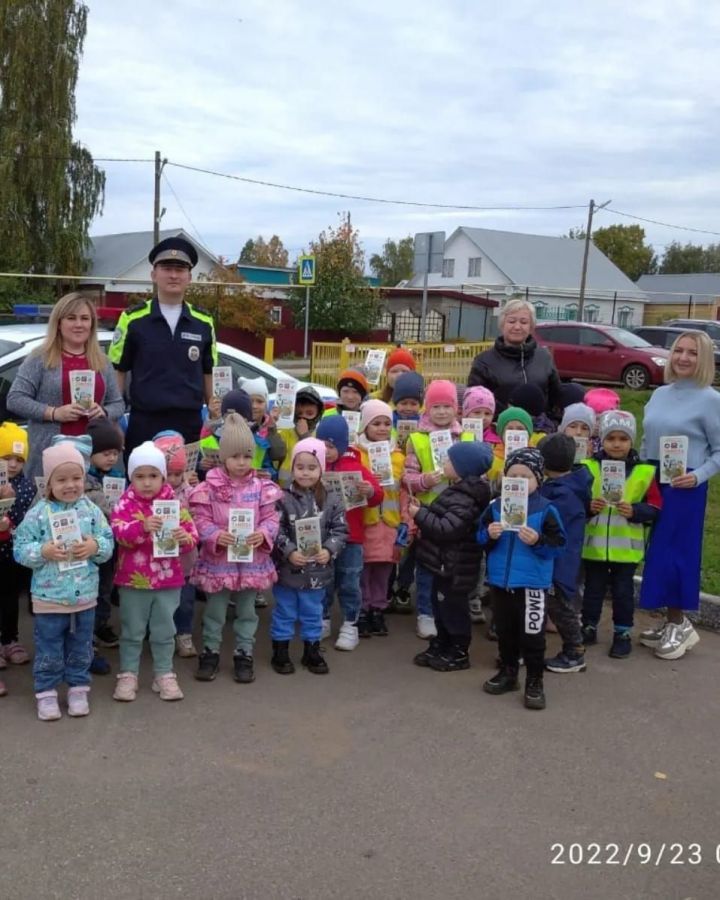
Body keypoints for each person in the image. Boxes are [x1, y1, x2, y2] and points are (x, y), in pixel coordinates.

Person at [13, 443, 114, 720]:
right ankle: (46, 693)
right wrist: (42, 552)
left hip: (85, 597)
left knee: (81, 646)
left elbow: (108, 542)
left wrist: (94, 546)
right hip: (49, 599)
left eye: (76, 478)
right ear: (49, 482)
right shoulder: (37, 514)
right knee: (49, 647)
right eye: (62, 479)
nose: (70, 485)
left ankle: (78, 688)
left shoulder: (91, 510)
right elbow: (20, 548)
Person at [639, 331, 720, 659]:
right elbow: (647, 440)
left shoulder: (711, 400)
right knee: (656, 553)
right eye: (679, 351)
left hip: (686, 486)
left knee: (677, 555)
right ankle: (668, 620)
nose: (684, 358)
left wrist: (698, 475)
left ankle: (680, 623)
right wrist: (641, 476)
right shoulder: (659, 394)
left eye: (693, 353)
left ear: (704, 360)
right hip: (655, 480)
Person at [189, 414, 282, 684]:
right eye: (235, 456)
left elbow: (272, 517)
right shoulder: (209, 488)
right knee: (215, 611)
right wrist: (216, 535)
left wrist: (262, 533)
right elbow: (199, 518)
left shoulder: (262, 487)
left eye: (246, 456)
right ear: (223, 456)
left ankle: (244, 653)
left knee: (247, 611)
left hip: (251, 561)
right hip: (219, 563)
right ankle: (210, 652)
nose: (241, 462)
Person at [108, 236, 217, 455]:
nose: (174, 275)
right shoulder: (132, 319)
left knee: (189, 487)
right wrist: (113, 422)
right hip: (144, 423)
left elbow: (208, 373)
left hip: (190, 424)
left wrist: (215, 419)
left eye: (180, 269)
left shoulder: (204, 322)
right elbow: (118, 373)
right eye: (167, 268)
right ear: (154, 274)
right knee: (143, 489)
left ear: (189, 277)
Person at [478, 448, 566, 710]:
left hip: (532, 585)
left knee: (532, 635)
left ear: (539, 480)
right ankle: (508, 673)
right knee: (505, 632)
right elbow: (479, 537)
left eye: (525, 477)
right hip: (500, 582)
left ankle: (534, 681)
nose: (518, 481)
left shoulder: (546, 509)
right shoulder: (495, 507)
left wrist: (538, 541)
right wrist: (489, 535)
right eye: (512, 476)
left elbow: (559, 545)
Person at [111, 441, 198, 702]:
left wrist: (184, 537)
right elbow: (118, 533)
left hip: (168, 580)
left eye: (153, 476)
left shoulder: (173, 503)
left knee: (164, 629)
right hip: (132, 580)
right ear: (131, 477)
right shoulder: (124, 504)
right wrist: (143, 527)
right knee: (132, 630)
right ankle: (128, 674)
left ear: (163, 476)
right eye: (139, 476)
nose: (147, 482)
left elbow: (193, 535)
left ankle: (164, 673)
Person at [7, 292, 125, 480]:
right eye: (71, 318)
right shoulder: (40, 358)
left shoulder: (102, 361)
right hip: (49, 454)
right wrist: (53, 413)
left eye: (85, 318)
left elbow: (118, 404)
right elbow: (15, 399)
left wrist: (103, 411)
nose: (79, 324)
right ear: (59, 323)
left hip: (93, 458)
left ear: (91, 324)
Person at [581, 411, 660, 658]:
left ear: (632, 441)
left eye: (623, 439)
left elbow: (656, 507)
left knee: (623, 594)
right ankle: (588, 627)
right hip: (593, 547)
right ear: (601, 440)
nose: (616, 443)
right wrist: (588, 507)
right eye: (611, 438)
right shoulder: (588, 467)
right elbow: (575, 502)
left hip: (626, 550)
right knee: (592, 591)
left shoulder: (644, 473)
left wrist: (635, 511)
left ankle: (622, 633)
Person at [410, 441, 492, 672]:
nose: (444, 463)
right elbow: (444, 517)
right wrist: (425, 510)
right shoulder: (458, 490)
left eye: (449, 460)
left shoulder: (466, 496)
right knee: (440, 605)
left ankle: (458, 650)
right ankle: (442, 642)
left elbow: (448, 529)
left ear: (462, 468)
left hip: (455, 564)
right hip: (444, 562)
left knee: (453, 608)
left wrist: (419, 515)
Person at [402, 379, 473, 639]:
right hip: (428, 513)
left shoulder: (467, 437)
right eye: (436, 406)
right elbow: (406, 478)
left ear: (456, 408)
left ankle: (450, 612)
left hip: (459, 515)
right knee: (427, 565)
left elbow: (480, 475)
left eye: (447, 406)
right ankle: (425, 613)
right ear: (427, 409)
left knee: (455, 566)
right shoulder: (417, 439)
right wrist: (423, 480)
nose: (442, 412)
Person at [270, 439, 347, 676]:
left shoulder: (333, 498)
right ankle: (280, 652)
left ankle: (311, 650)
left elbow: (340, 530)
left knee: (313, 612)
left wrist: (329, 550)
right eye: (300, 467)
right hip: (288, 571)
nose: (305, 472)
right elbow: (275, 530)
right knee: (284, 611)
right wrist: (289, 551)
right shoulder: (281, 497)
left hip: (318, 571)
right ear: (292, 468)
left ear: (321, 468)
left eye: (312, 467)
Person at [316, 415, 381, 650]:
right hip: (323, 536)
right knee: (324, 581)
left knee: (350, 581)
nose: (327, 450)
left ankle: (350, 623)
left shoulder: (357, 466)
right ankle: (322, 619)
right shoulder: (315, 465)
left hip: (352, 537)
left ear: (342, 445)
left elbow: (377, 497)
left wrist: (370, 490)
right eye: (322, 444)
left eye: (332, 446)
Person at [537, 433, 593, 673]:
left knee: (559, 608)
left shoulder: (560, 495)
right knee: (541, 606)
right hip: (559, 559)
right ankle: (530, 648)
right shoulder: (571, 487)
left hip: (558, 562)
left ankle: (574, 651)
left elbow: (549, 526)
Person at [356, 400, 407, 639]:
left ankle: (378, 608)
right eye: (376, 423)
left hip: (389, 521)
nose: (382, 428)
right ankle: (363, 609)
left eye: (387, 423)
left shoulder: (398, 455)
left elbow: (403, 489)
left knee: (384, 569)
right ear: (365, 426)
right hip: (365, 521)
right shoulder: (356, 453)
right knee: (363, 569)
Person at [467, 298, 562, 415]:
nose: (517, 327)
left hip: (540, 428)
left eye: (523, 322)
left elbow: (556, 395)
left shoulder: (544, 357)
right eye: (511, 321)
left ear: (531, 327)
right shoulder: (484, 361)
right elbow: (475, 400)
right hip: (499, 428)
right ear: (502, 325)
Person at [152, 431, 199, 658]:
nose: (172, 479)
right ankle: (160, 635)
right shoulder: (150, 494)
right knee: (159, 603)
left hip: (185, 561)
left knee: (185, 601)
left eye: (177, 474)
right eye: (167, 474)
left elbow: (199, 519)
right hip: (157, 562)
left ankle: (184, 634)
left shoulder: (190, 492)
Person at [0, 423, 36, 682]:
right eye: (6, 458)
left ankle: (10, 640)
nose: (13, 465)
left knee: (11, 598)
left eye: (18, 459)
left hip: (14, 554)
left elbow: (30, 517)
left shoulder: (27, 486)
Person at [85, 418, 125, 649]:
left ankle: (101, 624)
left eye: (115, 452)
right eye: (105, 453)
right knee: (92, 586)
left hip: (113, 540)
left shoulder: (118, 475)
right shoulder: (83, 479)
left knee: (106, 586)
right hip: (92, 542)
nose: (111, 458)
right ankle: (87, 630)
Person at [238, 376, 287, 480]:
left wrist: (272, 428)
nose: (254, 406)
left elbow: (278, 455)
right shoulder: (234, 425)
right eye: (250, 401)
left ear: (266, 405)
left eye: (259, 401)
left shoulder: (270, 427)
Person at [277, 385, 325, 488]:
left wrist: (305, 436)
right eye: (299, 413)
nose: (303, 417)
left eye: (309, 413)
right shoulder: (284, 435)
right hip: (284, 492)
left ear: (318, 415)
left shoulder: (321, 436)